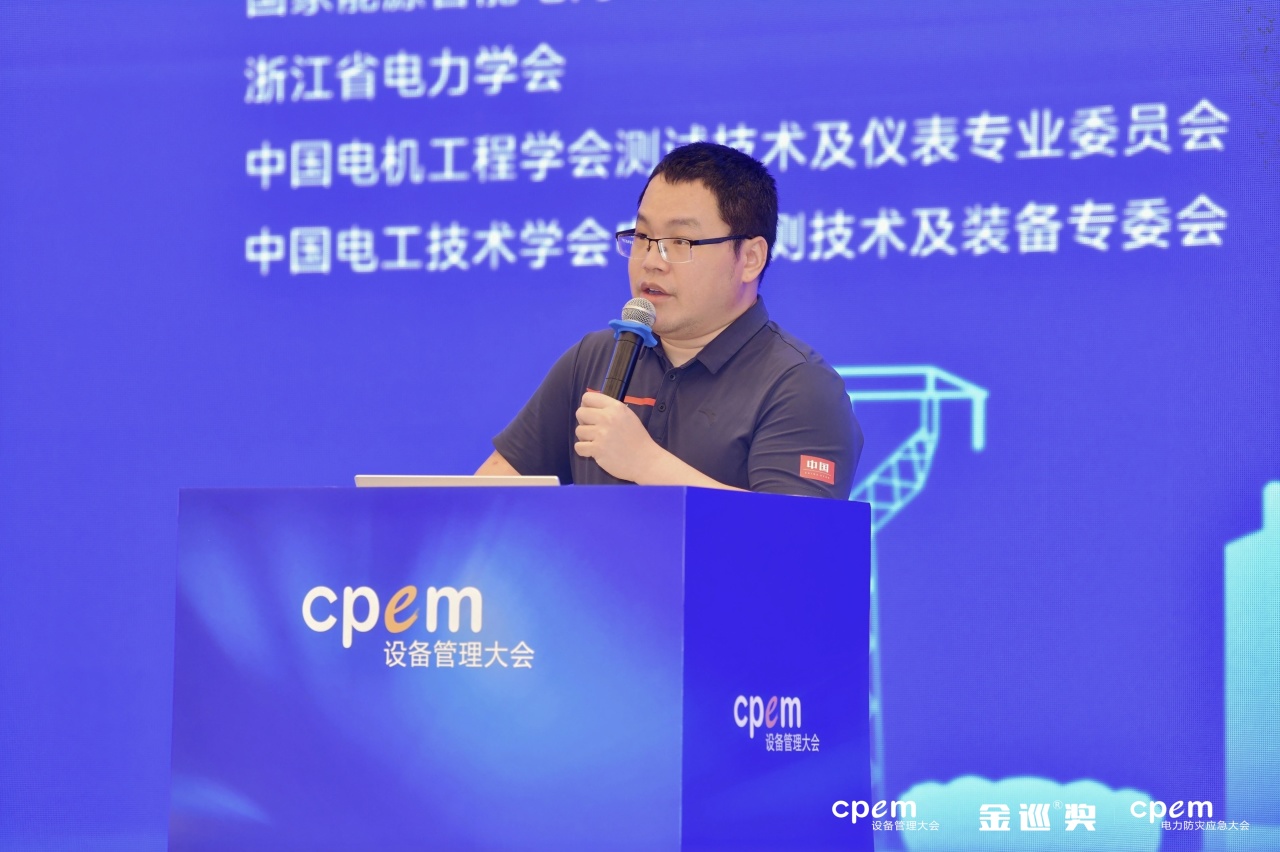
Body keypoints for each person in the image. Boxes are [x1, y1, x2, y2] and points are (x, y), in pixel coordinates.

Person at [476, 142, 863, 499]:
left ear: (750, 259)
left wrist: (645, 463)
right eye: (643, 237)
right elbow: (486, 497)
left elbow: (795, 537)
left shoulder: (800, 386)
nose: (650, 261)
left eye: (680, 242)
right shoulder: (594, 359)